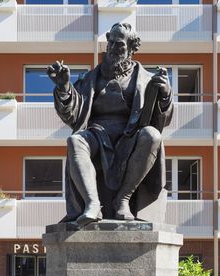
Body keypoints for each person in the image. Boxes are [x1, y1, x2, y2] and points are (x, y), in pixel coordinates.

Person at [47, 22, 173, 225]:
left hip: (131, 134)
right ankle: (92, 204)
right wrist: (64, 87)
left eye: (120, 44)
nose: (113, 48)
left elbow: (162, 121)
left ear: (132, 48)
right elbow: (73, 116)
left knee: (153, 136)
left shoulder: (148, 80)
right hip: (97, 133)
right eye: (111, 42)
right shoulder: (90, 79)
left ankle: (123, 199)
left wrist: (165, 93)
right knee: (75, 140)